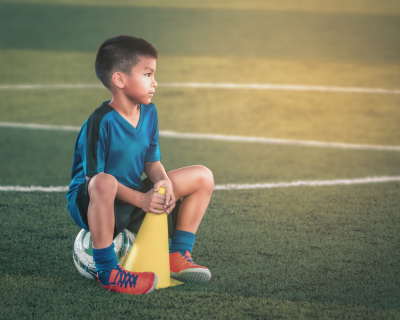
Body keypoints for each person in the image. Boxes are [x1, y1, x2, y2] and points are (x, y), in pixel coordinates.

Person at [66, 35, 214, 295]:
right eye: (147, 74)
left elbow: (151, 161)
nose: (155, 82)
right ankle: (108, 271)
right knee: (105, 181)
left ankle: (177, 254)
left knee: (202, 176)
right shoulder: (100, 121)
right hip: (93, 201)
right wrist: (142, 200)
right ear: (120, 80)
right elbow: (93, 179)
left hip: (133, 192)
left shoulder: (149, 113)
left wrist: (163, 182)